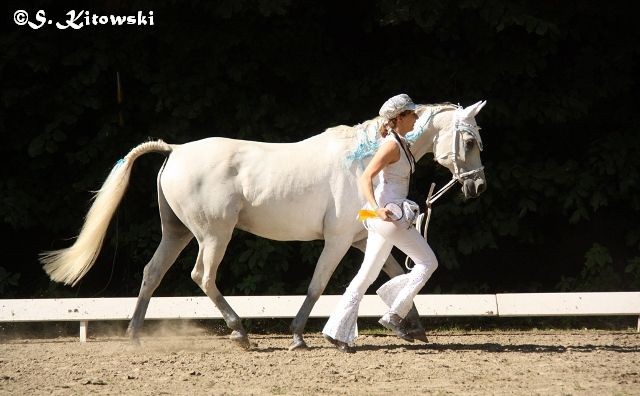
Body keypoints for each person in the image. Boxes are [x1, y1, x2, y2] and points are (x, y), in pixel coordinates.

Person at [322, 94, 438, 353]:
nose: (415, 117)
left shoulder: (402, 143)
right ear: (398, 118)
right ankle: (396, 312)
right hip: (388, 217)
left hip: (389, 215)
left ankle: (336, 331)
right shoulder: (391, 145)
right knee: (428, 263)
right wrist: (378, 209)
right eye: (411, 114)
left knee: (365, 276)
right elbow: (365, 178)